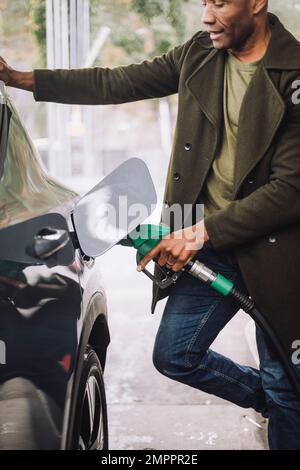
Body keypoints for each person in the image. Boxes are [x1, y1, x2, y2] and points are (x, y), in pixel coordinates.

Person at [1, 0, 300, 449]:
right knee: (176, 355)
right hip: (207, 244)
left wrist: (201, 233)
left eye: (219, 3)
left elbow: (292, 188)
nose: (206, 15)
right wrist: (19, 78)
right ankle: (282, 406)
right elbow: (119, 81)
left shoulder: (293, 74)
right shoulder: (199, 53)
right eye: (203, 2)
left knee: (284, 379)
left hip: (274, 254)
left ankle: (285, 407)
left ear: (256, 3)